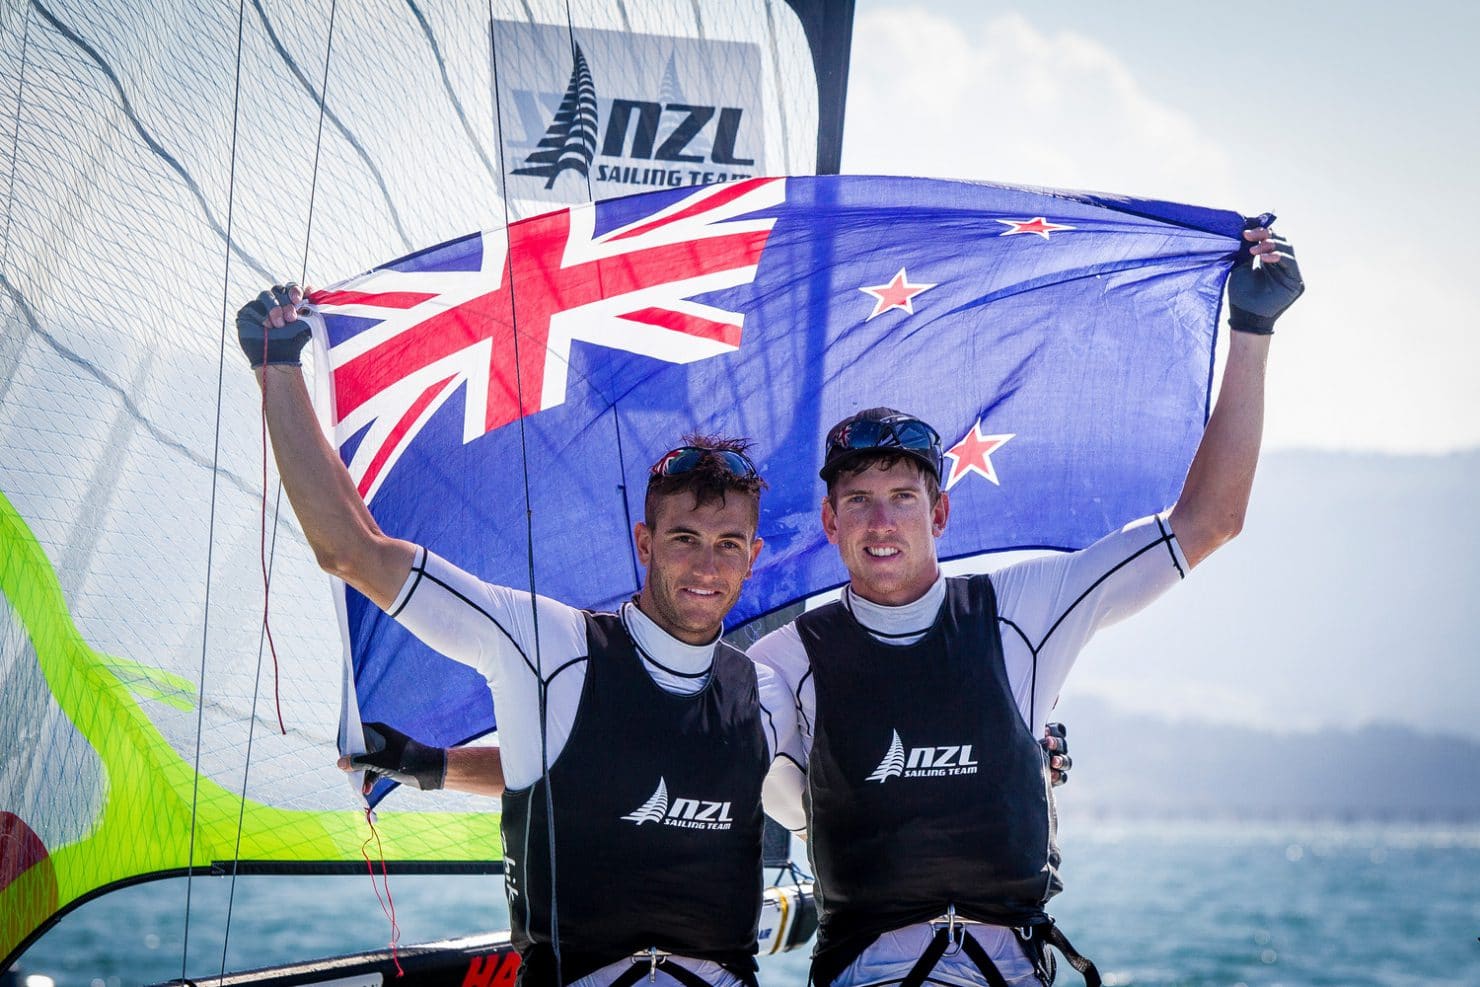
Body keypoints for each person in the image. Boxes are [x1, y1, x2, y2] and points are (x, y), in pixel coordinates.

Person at [749, 227, 1305, 987]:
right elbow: (718, 763)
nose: (882, 523)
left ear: (939, 515)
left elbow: (1207, 522)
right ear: (829, 522)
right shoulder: (784, 658)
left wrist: (1253, 330)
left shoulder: (1024, 609)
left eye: (903, 499)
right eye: (860, 501)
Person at [236, 284, 805, 987]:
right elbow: (353, 551)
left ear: (753, 556)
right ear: (644, 541)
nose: (705, 565)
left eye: (727, 544)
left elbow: (594, 772)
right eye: (684, 537)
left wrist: (442, 766)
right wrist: (278, 370)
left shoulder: (767, 694)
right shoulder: (548, 644)